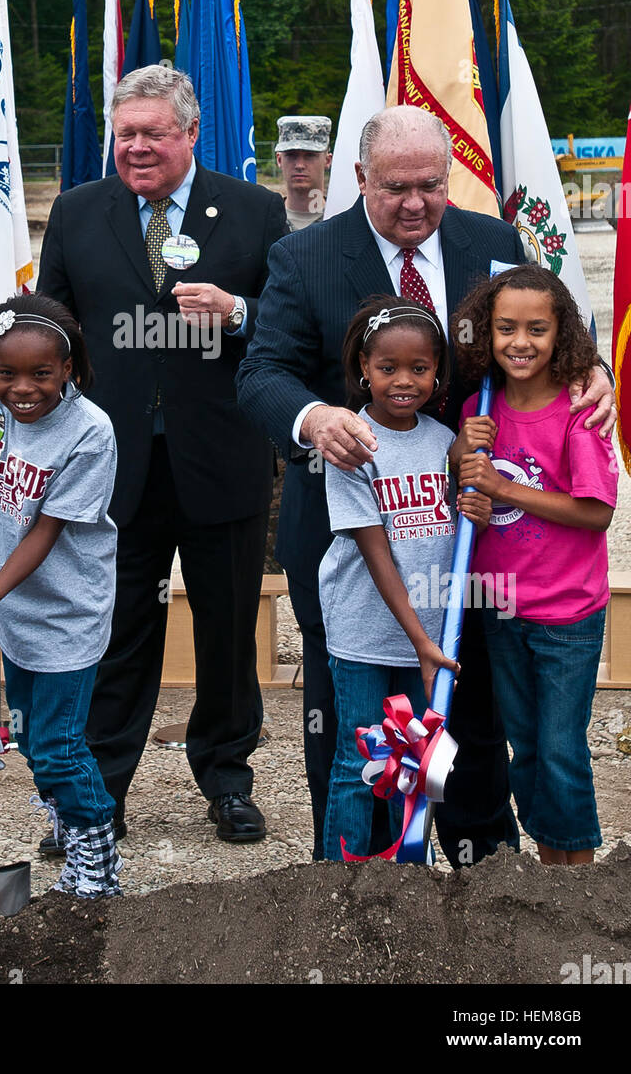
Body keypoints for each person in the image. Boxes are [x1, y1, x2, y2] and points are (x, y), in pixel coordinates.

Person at [236, 103, 616, 866]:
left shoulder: (495, 243)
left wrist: (594, 370)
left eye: (432, 186)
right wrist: (314, 419)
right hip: (356, 549)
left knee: (473, 723)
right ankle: (358, 888)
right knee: (358, 732)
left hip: (476, 546)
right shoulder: (305, 258)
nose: (415, 203)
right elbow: (261, 373)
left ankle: (485, 880)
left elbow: (544, 338)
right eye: (396, 187)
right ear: (359, 178)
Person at [38, 65, 288, 844]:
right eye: (125, 134)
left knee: (226, 630)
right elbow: (53, 328)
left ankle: (227, 777)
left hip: (222, 459)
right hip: (113, 469)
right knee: (113, 633)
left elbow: (286, 325)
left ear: (189, 134)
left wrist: (237, 310)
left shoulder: (255, 212)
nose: (137, 147)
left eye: (153, 132)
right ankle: (96, 795)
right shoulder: (79, 213)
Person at [0, 294, 123, 897]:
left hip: (67, 612)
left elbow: (44, 532)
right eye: (6, 374)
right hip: (19, 610)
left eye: (41, 374)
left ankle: (97, 852)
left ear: (70, 369)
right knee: (32, 737)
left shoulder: (89, 432)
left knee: (59, 745)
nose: (23, 389)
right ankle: (67, 817)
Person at [450, 264, 617, 865]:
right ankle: (550, 866)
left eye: (537, 330)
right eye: (505, 329)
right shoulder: (479, 407)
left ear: (561, 334)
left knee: (561, 748)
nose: (520, 343)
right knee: (523, 745)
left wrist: (503, 487)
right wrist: (460, 461)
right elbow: (465, 498)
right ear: (486, 333)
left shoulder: (579, 411)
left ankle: (579, 876)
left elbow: (596, 512)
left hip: (566, 615)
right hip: (501, 608)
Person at [320, 297, 491, 858]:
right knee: (359, 760)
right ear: (363, 368)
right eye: (387, 368)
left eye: (419, 368)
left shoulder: (443, 441)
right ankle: (329, 891)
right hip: (367, 633)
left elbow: (454, 538)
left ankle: (401, 882)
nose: (403, 381)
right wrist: (422, 642)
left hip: (428, 638)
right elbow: (378, 554)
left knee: (412, 761)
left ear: (437, 371)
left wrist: (478, 516)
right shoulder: (351, 446)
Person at [274, 116, 332, 230]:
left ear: (327, 160)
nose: (299, 165)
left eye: (310, 155)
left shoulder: (340, 218)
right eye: (291, 155)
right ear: (279, 160)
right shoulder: (266, 221)